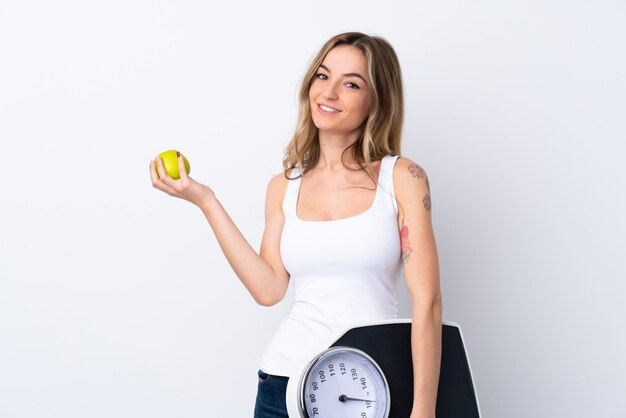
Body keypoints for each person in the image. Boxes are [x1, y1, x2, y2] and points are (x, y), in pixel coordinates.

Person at [150, 32, 441, 418]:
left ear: (376, 100)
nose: (329, 92)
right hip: (283, 385)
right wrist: (206, 200)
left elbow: (428, 303)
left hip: (370, 389)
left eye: (350, 83)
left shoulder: (403, 177)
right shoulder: (284, 186)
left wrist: (423, 409)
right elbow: (269, 289)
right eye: (323, 76)